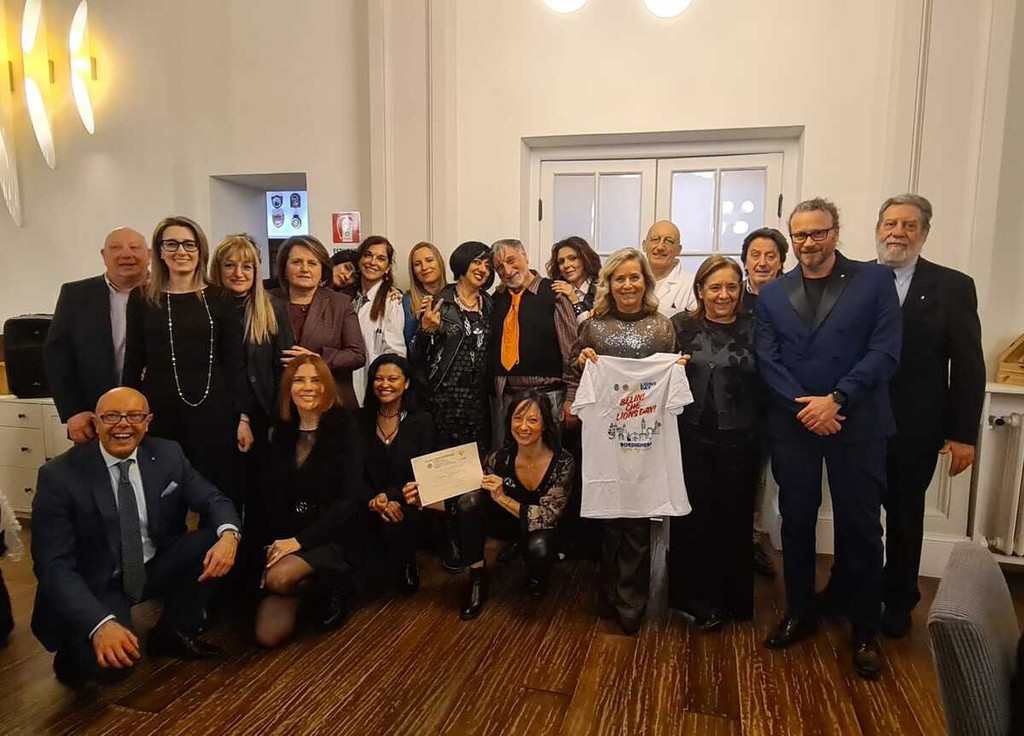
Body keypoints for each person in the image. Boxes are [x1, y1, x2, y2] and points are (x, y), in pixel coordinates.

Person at [755, 197, 901, 680]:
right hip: (795, 424)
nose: (809, 242)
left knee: (861, 529)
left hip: (857, 422)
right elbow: (768, 360)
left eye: (818, 232)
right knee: (795, 522)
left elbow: (885, 351)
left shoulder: (874, 280)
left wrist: (837, 399)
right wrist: (807, 408)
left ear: (835, 232)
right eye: (800, 234)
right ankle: (799, 612)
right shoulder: (774, 293)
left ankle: (865, 628)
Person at [30, 387, 240, 686]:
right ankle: (74, 647)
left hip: (150, 565)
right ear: (96, 422)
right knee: (115, 668)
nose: (123, 424)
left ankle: (171, 634)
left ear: (148, 421)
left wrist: (229, 536)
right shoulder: (59, 475)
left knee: (216, 539)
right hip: (97, 582)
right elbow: (53, 565)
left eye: (134, 416)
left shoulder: (168, 454)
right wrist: (100, 625)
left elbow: (212, 499)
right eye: (111, 416)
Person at [874, 194, 986, 638]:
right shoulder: (858, 280)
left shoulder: (953, 286)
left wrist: (964, 434)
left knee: (905, 516)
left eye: (909, 225)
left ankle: (899, 599)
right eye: (890, 224)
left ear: (924, 232)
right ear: (878, 229)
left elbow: (969, 364)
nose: (898, 233)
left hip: (916, 427)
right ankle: (856, 589)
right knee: (857, 514)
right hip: (858, 424)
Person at [573, 248, 682, 635]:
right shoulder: (593, 326)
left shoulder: (662, 327)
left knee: (637, 517)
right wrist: (582, 359)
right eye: (620, 278)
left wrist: (676, 369)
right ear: (609, 283)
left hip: (645, 435)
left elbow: (668, 376)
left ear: (645, 282)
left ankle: (632, 601)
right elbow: (574, 361)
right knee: (609, 515)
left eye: (635, 277)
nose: (628, 284)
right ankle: (608, 594)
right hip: (606, 433)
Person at [406, 390, 574, 620]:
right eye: (517, 418)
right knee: (471, 500)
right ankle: (477, 577)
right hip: (505, 524)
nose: (523, 427)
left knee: (539, 549)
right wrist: (423, 499)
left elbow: (548, 516)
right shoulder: (498, 459)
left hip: (541, 529)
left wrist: (502, 497)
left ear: (545, 425)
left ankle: (538, 574)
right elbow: (464, 503)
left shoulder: (563, 462)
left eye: (532, 420)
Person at [122, 217, 252, 503]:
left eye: (189, 244)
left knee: (218, 495)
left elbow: (234, 363)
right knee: (164, 500)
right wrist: (128, 417)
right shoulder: (142, 299)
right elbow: (133, 362)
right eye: (172, 244)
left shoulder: (220, 297)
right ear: (159, 251)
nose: (181, 251)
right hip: (161, 414)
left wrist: (244, 418)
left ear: (200, 250)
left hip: (216, 414)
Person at [669, 256, 761, 632]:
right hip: (690, 435)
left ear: (741, 290)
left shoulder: (757, 328)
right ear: (700, 290)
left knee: (734, 518)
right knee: (693, 517)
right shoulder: (680, 326)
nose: (724, 295)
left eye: (731, 287)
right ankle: (694, 599)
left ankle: (732, 600)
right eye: (715, 287)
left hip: (741, 439)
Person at [252, 354, 370, 648]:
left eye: (316, 380)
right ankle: (309, 586)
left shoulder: (346, 427)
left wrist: (298, 542)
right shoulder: (280, 432)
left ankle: (336, 585)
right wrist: (274, 543)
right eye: (299, 380)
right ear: (288, 388)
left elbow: (350, 499)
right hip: (292, 533)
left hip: (337, 535)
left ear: (327, 386)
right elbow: (269, 496)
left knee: (278, 578)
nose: (308, 387)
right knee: (266, 636)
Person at [414, 241, 494, 571]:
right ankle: (449, 538)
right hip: (444, 399)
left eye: (487, 265)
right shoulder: (439, 302)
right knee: (445, 474)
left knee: (474, 474)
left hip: (478, 401)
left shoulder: (490, 304)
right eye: (477, 262)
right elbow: (416, 358)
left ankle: (470, 540)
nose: (483, 269)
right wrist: (426, 332)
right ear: (462, 264)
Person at [44, 227, 151, 443]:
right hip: (94, 419)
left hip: (155, 416)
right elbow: (58, 357)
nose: (126, 254)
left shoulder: (168, 295)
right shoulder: (76, 296)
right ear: (103, 255)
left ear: (149, 255)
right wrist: (73, 411)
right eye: (116, 248)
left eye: (134, 247)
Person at [363, 354, 436, 594]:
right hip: (367, 500)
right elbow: (353, 471)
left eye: (392, 379)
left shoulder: (422, 421)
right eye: (378, 379)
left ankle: (406, 561)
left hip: (408, 499)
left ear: (406, 383)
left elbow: (423, 473)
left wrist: (391, 496)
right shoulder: (359, 420)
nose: (384, 384)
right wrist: (375, 500)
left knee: (399, 517)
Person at [740, 226, 790, 579]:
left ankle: (755, 539)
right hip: (738, 402)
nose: (762, 262)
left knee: (768, 478)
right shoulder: (732, 296)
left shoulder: (793, 297)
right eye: (755, 255)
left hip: (780, 403)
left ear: (781, 262)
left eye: (770, 256)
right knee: (743, 475)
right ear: (744, 261)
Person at [491, 238, 579, 431]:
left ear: (524, 256)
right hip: (507, 398)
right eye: (499, 267)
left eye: (511, 260)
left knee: (548, 448)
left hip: (549, 396)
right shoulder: (497, 299)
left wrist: (572, 395)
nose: (507, 271)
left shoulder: (555, 293)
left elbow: (571, 349)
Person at [275, 235, 366, 409]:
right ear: (284, 269)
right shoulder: (268, 302)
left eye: (312, 263)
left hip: (331, 402)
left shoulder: (340, 303)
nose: (305, 269)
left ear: (323, 270)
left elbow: (357, 355)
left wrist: (317, 358)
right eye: (297, 262)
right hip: (282, 403)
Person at [353, 236, 406, 406]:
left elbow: (395, 352)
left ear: (388, 267)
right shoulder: (349, 298)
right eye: (368, 255)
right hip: (346, 388)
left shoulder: (392, 301)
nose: (372, 262)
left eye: (381, 258)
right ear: (359, 259)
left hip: (375, 391)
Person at [641, 220, 698, 318]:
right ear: (644, 245)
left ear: (678, 250)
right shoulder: (631, 281)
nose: (660, 247)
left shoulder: (691, 286)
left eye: (669, 241)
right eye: (655, 240)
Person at [402, 241, 449, 351]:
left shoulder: (455, 295)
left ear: (440, 263)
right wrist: (417, 322)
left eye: (429, 260)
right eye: (417, 264)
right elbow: (406, 347)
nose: (424, 267)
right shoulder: (407, 301)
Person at [546, 236, 601, 324]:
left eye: (573, 258)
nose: (566, 265)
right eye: (561, 262)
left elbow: (592, 328)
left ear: (585, 258)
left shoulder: (602, 289)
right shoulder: (556, 293)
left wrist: (574, 300)